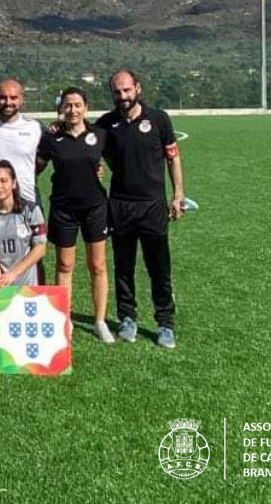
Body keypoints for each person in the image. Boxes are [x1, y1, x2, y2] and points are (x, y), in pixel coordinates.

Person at [96, 69, 186, 349]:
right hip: (120, 206)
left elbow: (173, 158)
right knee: (123, 267)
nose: (122, 96)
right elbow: (89, 145)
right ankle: (127, 318)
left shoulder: (158, 119)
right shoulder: (106, 124)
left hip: (153, 205)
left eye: (126, 90)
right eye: (117, 92)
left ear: (138, 88)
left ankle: (165, 324)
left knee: (158, 267)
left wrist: (178, 194)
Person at [36, 87, 114, 343]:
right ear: (61, 109)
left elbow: (115, 162)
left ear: (86, 108)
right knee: (65, 265)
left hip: (94, 208)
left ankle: (100, 321)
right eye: (68, 105)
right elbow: (35, 168)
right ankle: (63, 319)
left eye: (78, 105)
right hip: (63, 209)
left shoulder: (98, 135)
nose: (73, 110)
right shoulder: (51, 138)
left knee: (98, 265)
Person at [0, 161, 47, 287]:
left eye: (3, 181)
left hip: (23, 278)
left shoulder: (31, 211)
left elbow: (40, 249)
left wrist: (13, 274)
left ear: (13, 183)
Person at [0, 79, 43, 204]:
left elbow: (46, 157)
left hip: (29, 202)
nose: (8, 102)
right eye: (3, 98)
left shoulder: (36, 128)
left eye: (13, 97)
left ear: (21, 99)